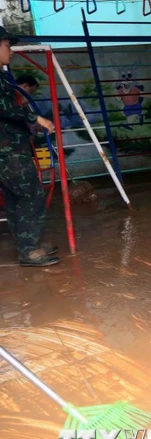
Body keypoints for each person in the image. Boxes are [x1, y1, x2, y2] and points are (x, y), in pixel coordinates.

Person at [0, 28, 59, 267]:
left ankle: (27, 245)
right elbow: (4, 107)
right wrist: (37, 119)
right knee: (31, 196)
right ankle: (29, 249)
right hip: (8, 152)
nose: (10, 51)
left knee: (16, 198)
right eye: (6, 45)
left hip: (9, 148)